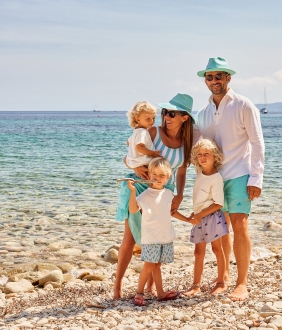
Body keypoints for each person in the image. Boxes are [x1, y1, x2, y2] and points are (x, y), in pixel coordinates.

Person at [193, 57, 265, 301]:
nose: (214, 81)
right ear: (206, 80)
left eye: (218, 76)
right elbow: (193, 145)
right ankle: (222, 279)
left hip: (239, 175)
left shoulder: (244, 105)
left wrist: (256, 178)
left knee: (239, 226)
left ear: (228, 78)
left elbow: (257, 142)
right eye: (210, 77)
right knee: (220, 231)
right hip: (213, 180)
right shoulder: (202, 113)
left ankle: (242, 283)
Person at [113, 93, 194, 300]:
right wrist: (135, 166)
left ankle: (149, 288)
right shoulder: (152, 131)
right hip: (142, 187)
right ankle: (118, 286)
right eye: (165, 112)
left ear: (184, 117)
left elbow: (182, 171)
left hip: (166, 191)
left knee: (157, 235)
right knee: (131, 239)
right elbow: (128, 154)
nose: (166, 116)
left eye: (172, 113)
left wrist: (180, 195)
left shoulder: (187, 141)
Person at [173, 139, 229, 296]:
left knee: (217, 249)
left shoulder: (216, 177)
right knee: (198, 253)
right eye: (199, 155)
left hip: (211, 217)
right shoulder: (199, 173)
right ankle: (195, 285)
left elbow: (218, 203)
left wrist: (200, 214)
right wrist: (194, 213)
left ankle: (221, 282)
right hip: (199, 217)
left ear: (215, 156)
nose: (203, 157)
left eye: (207, 154)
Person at [127, 158, 180, 305]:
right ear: (149, 175)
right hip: (150, 237)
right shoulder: (145, 195)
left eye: (162, 175)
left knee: (157, 265)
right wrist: (132, 192)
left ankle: (161, 292)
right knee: (149, 265)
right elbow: (133, 209)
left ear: (168, 177)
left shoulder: (168, 194)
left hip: (164, 236)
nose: (157, 178)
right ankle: (139, 293)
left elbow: (172, 212)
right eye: (154, 174)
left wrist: (189, 220)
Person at [125, 101, 162, 169]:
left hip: (135, 163)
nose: (152, 121)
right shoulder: (143, 132)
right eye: (148, 119)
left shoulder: (136, 132)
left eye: (153, 118)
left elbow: (128, 142)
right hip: (144, 163)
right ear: (138, 119)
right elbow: (139, 147)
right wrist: (153, 154)